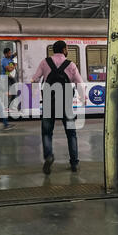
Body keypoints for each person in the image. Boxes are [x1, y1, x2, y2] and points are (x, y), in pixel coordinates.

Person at [31, 41, 85, 174]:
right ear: (64, 49)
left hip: (49, 101)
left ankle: (49, 156)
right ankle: (74, 163)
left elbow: (34, 78)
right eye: (66, 48)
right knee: (71, 134)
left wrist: (34, 93)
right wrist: (83, 98)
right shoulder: (71, 65)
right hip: (66, 103)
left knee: (47, 133)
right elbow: (80, 83)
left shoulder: (45, 62)